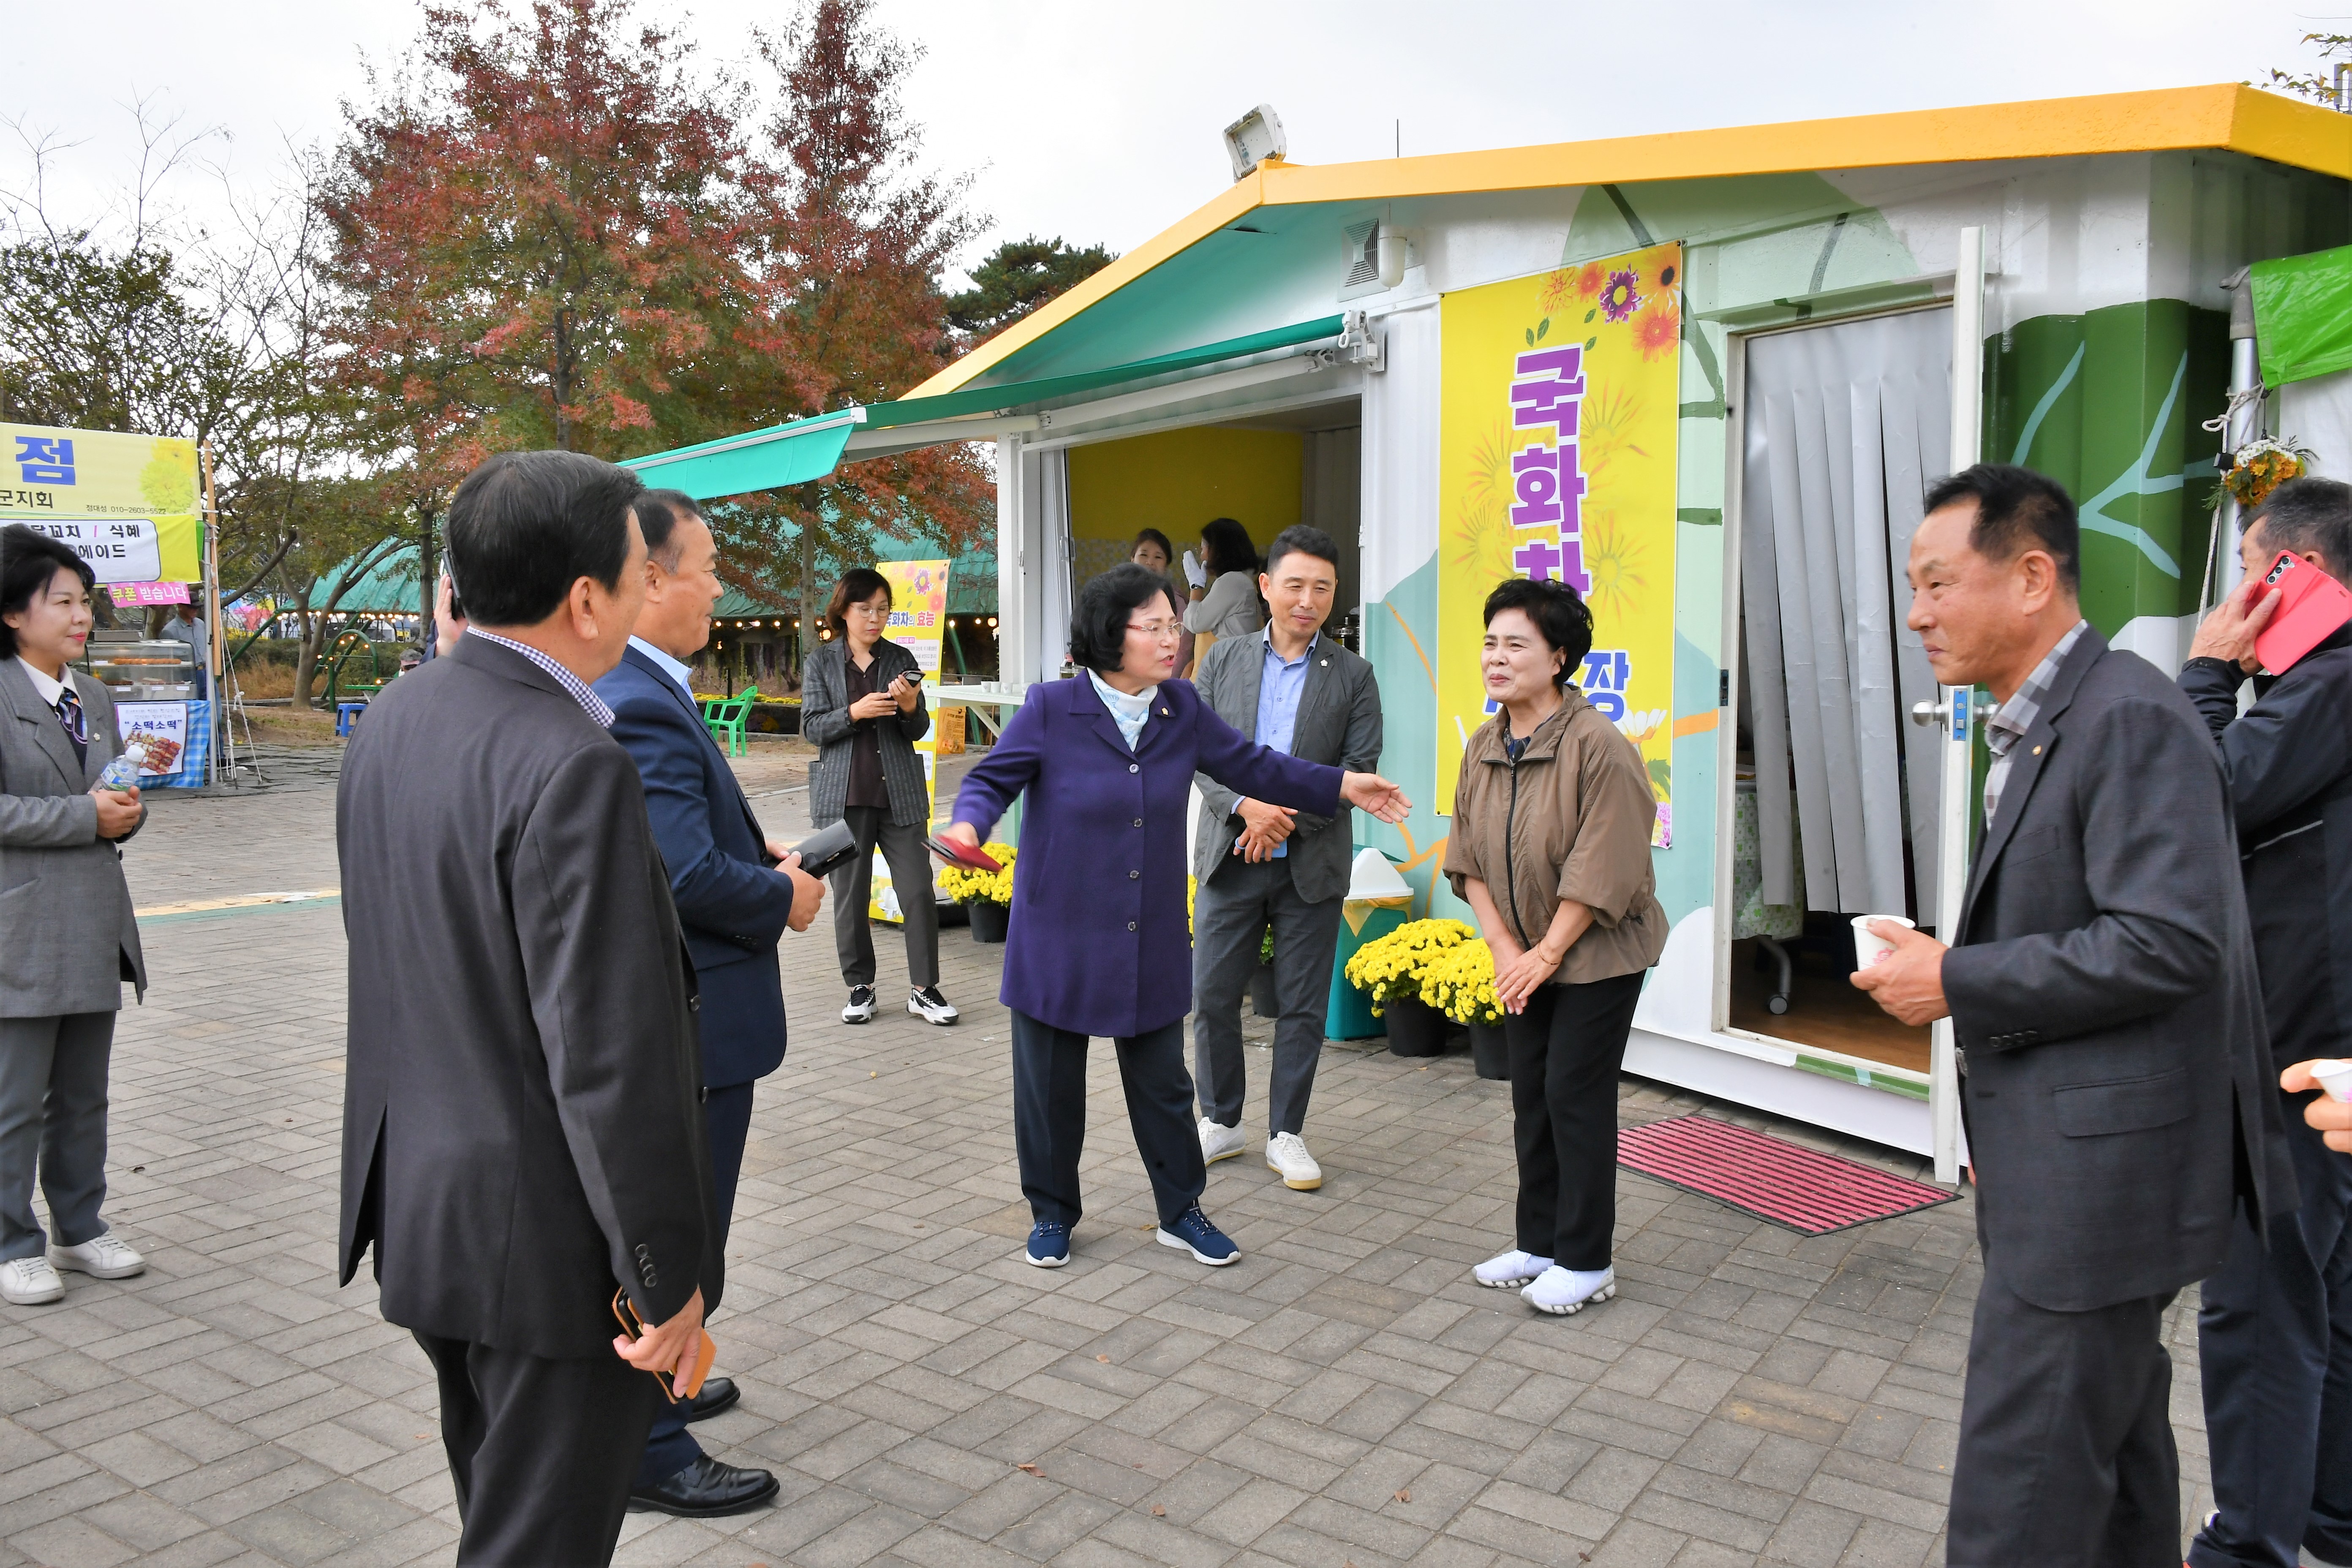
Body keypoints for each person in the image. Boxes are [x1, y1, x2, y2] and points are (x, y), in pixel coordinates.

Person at [1850, 463, 2283, 1564]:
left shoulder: (2127, 719)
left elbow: (2172, 942)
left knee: (2021, 1497)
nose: (1918, 613)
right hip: (2075, 1171)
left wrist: (1955, 981)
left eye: (1939, 583)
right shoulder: (2052, 718)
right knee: (2117, 1458)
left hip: (2101, 1198)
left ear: (2033, 576)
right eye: (1915, 586)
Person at [337, 452, 718, 1566]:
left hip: (426, 1214)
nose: (655, 593)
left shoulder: (398, 716)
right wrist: (664, 1280)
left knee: (498, 1512)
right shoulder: (573, 759)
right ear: (587, 597)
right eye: (645, 571)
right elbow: (606, 1054)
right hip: (549, 1254)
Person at [941, 564, 1410, 1270]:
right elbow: (988, 780)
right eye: (1154, 626)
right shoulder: (1050, 707)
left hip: (1145, 934)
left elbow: (1255, 766)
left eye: (1173, 624)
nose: (1173, 639)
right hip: (1057, 937)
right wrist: (968, 827)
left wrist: (1343, 783)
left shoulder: (1179, 709)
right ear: (1110, 635)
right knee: (1049, 1091)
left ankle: (1179, 1209)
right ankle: (1050, 1213)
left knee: (1164, 1088)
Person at [592, 489, 825, 1520]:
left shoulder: (652, 686)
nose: (721, 584)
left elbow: (683, 840)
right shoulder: (637, 697)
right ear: (650, 578)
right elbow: (680, 878)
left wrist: (754, 850)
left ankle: (666, 1380)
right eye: (710, 565)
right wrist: (783, 892)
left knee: (689, 1230)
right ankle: (645, 1439)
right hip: (689, 1024)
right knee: (678, 1236)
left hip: (696, 1021)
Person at [2175, 475, 2352, 1568]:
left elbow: (2198, 797)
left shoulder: (2331, 683)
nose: (2239, 595)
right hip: (2326, 1041)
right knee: (2327, 1292)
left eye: (2250, 570)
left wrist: (2205, 671)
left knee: (2257, 1302)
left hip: (2299, 1048)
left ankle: (2249, 1549)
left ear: (2299, 574)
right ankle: (2327, 1518)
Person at [1447, 577, 1667, 1318]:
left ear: (1558, 657)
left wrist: (1543, 957)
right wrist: (1507, 947)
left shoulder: (1597, 745)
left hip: (1597, 953)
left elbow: (1601, 867)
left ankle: (1586, 1258)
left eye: (1516, 644)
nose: (1496, 658)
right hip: (1526, 955)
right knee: (1530, 1096)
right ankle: (1537, 1242)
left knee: (1573, 1095)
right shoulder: (1484, 744)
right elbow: (1467, 854)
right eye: (1489, 642)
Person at [1191, 525, 1383, 1191]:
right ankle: (1221, 1120)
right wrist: (1247, 809)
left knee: (1301, 1005)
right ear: (1267, 587)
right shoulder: (1222, 660)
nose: (1308, 599)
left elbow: (1357, 770)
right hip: (1229, 850)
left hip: (1310, 860)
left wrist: (1283, 821)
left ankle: (1287, 1133)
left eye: (1322, 588)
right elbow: (1198, 749)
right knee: (1212, 995)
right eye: (1295, 585)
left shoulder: (1354, 674)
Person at [0, 525, 148, 1307]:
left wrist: (126, 811)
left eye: (85, 600)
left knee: (84, 1092)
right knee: (14, 1097)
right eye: (62, 601)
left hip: (94, 923)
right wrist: (82, 817)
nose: (80, 614)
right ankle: (11, 1240)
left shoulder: (91, 695)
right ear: (13, 612)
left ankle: (80, 1224)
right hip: (19, 927)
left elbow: (109, 799)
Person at [801, 567, 956, 1026]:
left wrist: (909, 707)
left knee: (918, 891)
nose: (875, 617)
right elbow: (811, 728)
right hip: (844, 795)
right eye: (865, 608)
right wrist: (854, 712)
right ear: (844, 611)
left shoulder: (900, 657)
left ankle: (924, 989)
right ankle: (860, 987)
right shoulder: (822, 663)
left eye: (883, 609)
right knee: (850, 897)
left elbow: (918, 728)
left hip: (900, 794)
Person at [1181, 517, 1264, 675]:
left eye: (1204, 547)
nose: (1202, 556)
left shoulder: (1232, 582)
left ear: (1219, 550)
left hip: (1226, 678)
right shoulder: (1242, 581)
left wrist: (1196, 586)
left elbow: (1196, 623)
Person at [159, 597, 209, 698]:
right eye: (191, 607)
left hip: (205, 670)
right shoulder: (170, 630)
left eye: (197, 608)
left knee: (212, 703)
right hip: (187, 673)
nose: (195, 610)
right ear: (180, 607)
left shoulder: (200, 624)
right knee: (192, 702)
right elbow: (167, 660)